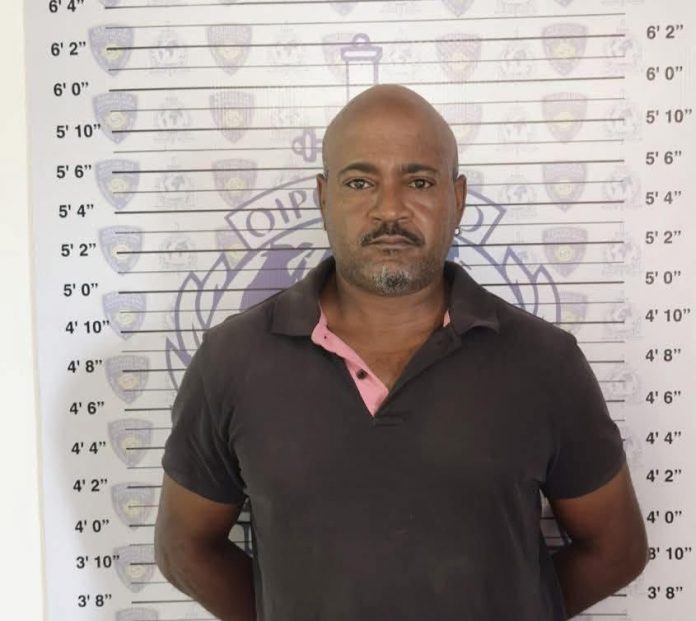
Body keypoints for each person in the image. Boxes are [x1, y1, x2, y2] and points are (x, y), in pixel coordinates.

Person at [154, 84, 648, 621]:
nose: (389, 209)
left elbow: (615, 550)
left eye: (418, 181)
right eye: (360, 182)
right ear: (323, 197)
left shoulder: (545, 362)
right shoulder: (232, 360)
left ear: (457, 198)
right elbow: (185, 550)